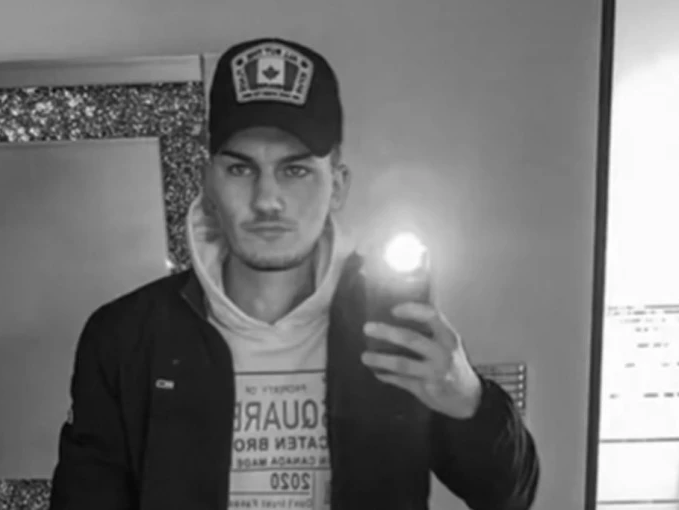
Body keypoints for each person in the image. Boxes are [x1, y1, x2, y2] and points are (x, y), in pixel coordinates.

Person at [49, 37, 540, 510]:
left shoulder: (386, 328)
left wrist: (468, 399)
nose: (267, 200)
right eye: (240, 169)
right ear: (207, 182)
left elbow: (510, 495)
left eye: (296, 170)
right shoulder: (125, 337)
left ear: (338, 186)